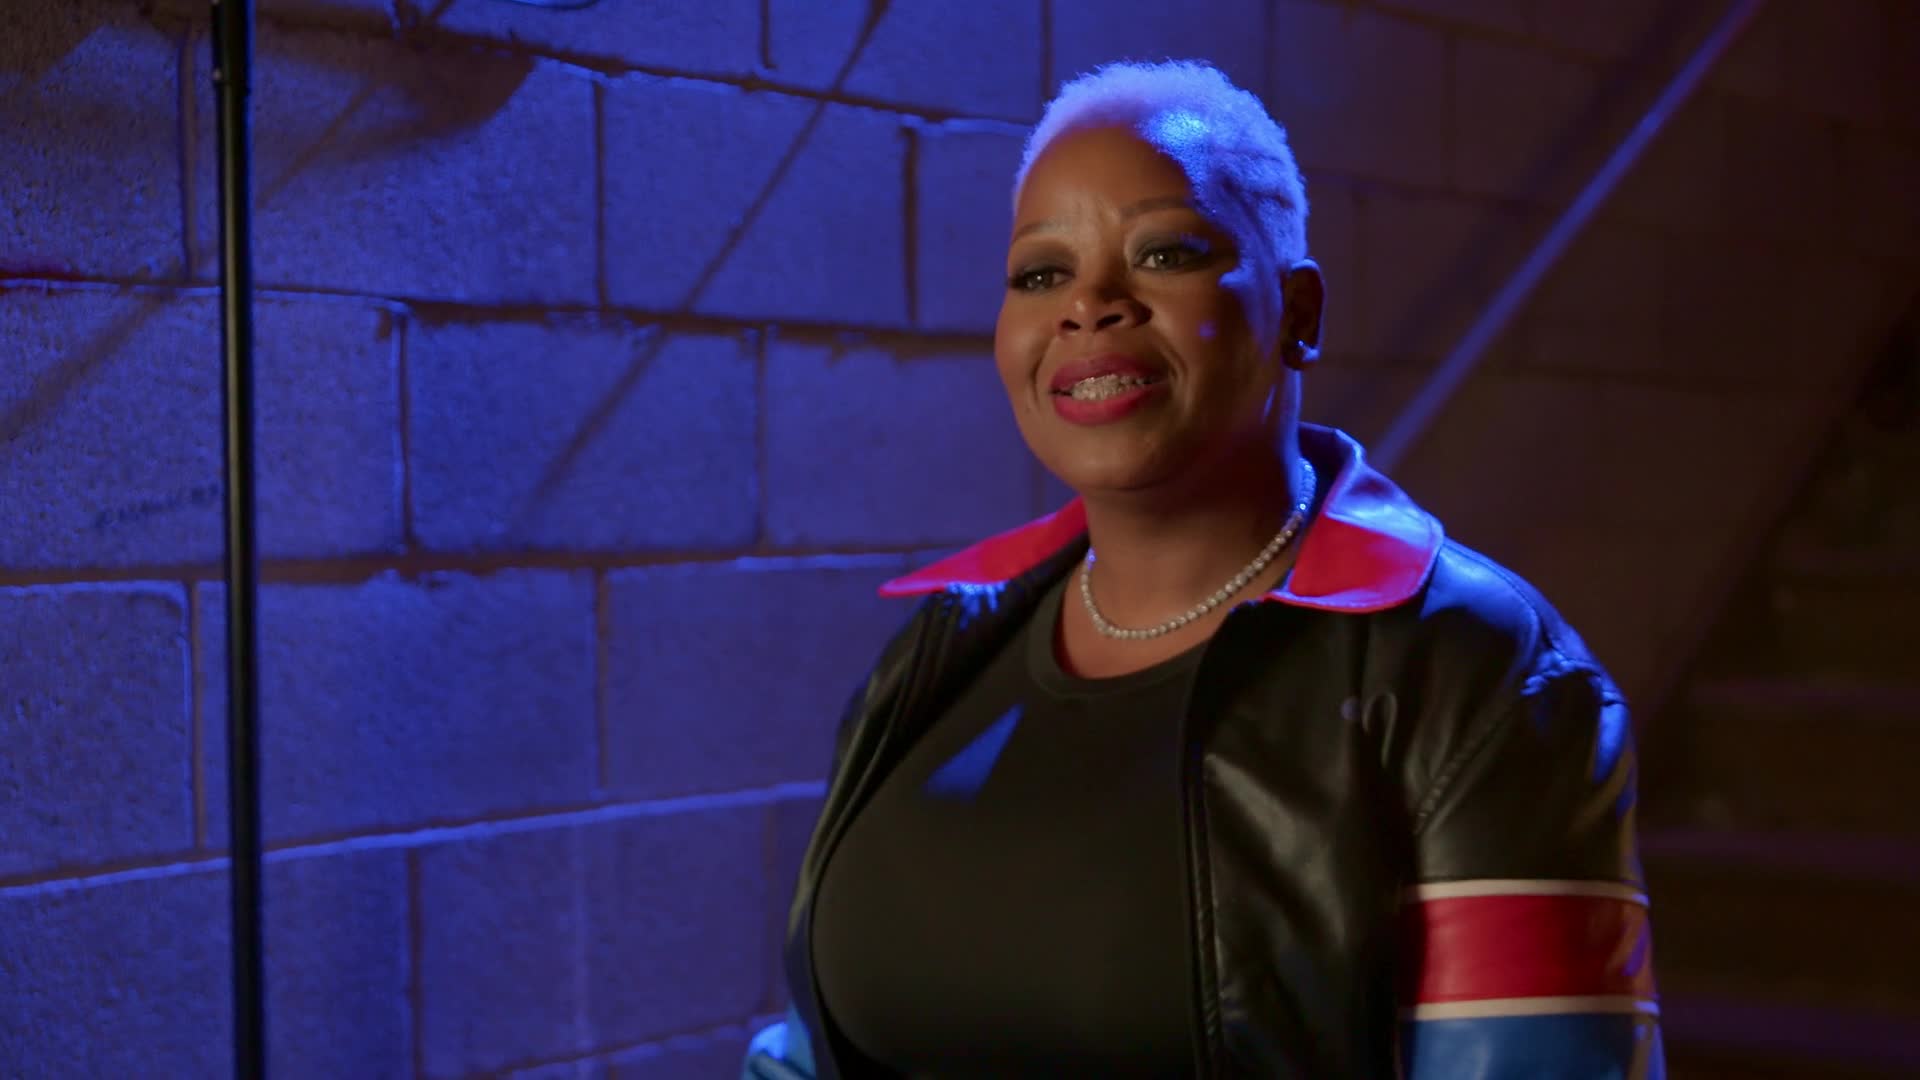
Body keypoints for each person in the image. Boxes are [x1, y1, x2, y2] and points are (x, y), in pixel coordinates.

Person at [741, 59, 1661, 1079]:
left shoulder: (1480, 672)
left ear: (1299, 312)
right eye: (1041, 273)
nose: (1089, 304)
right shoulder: (938, 649)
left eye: (1166, 253)